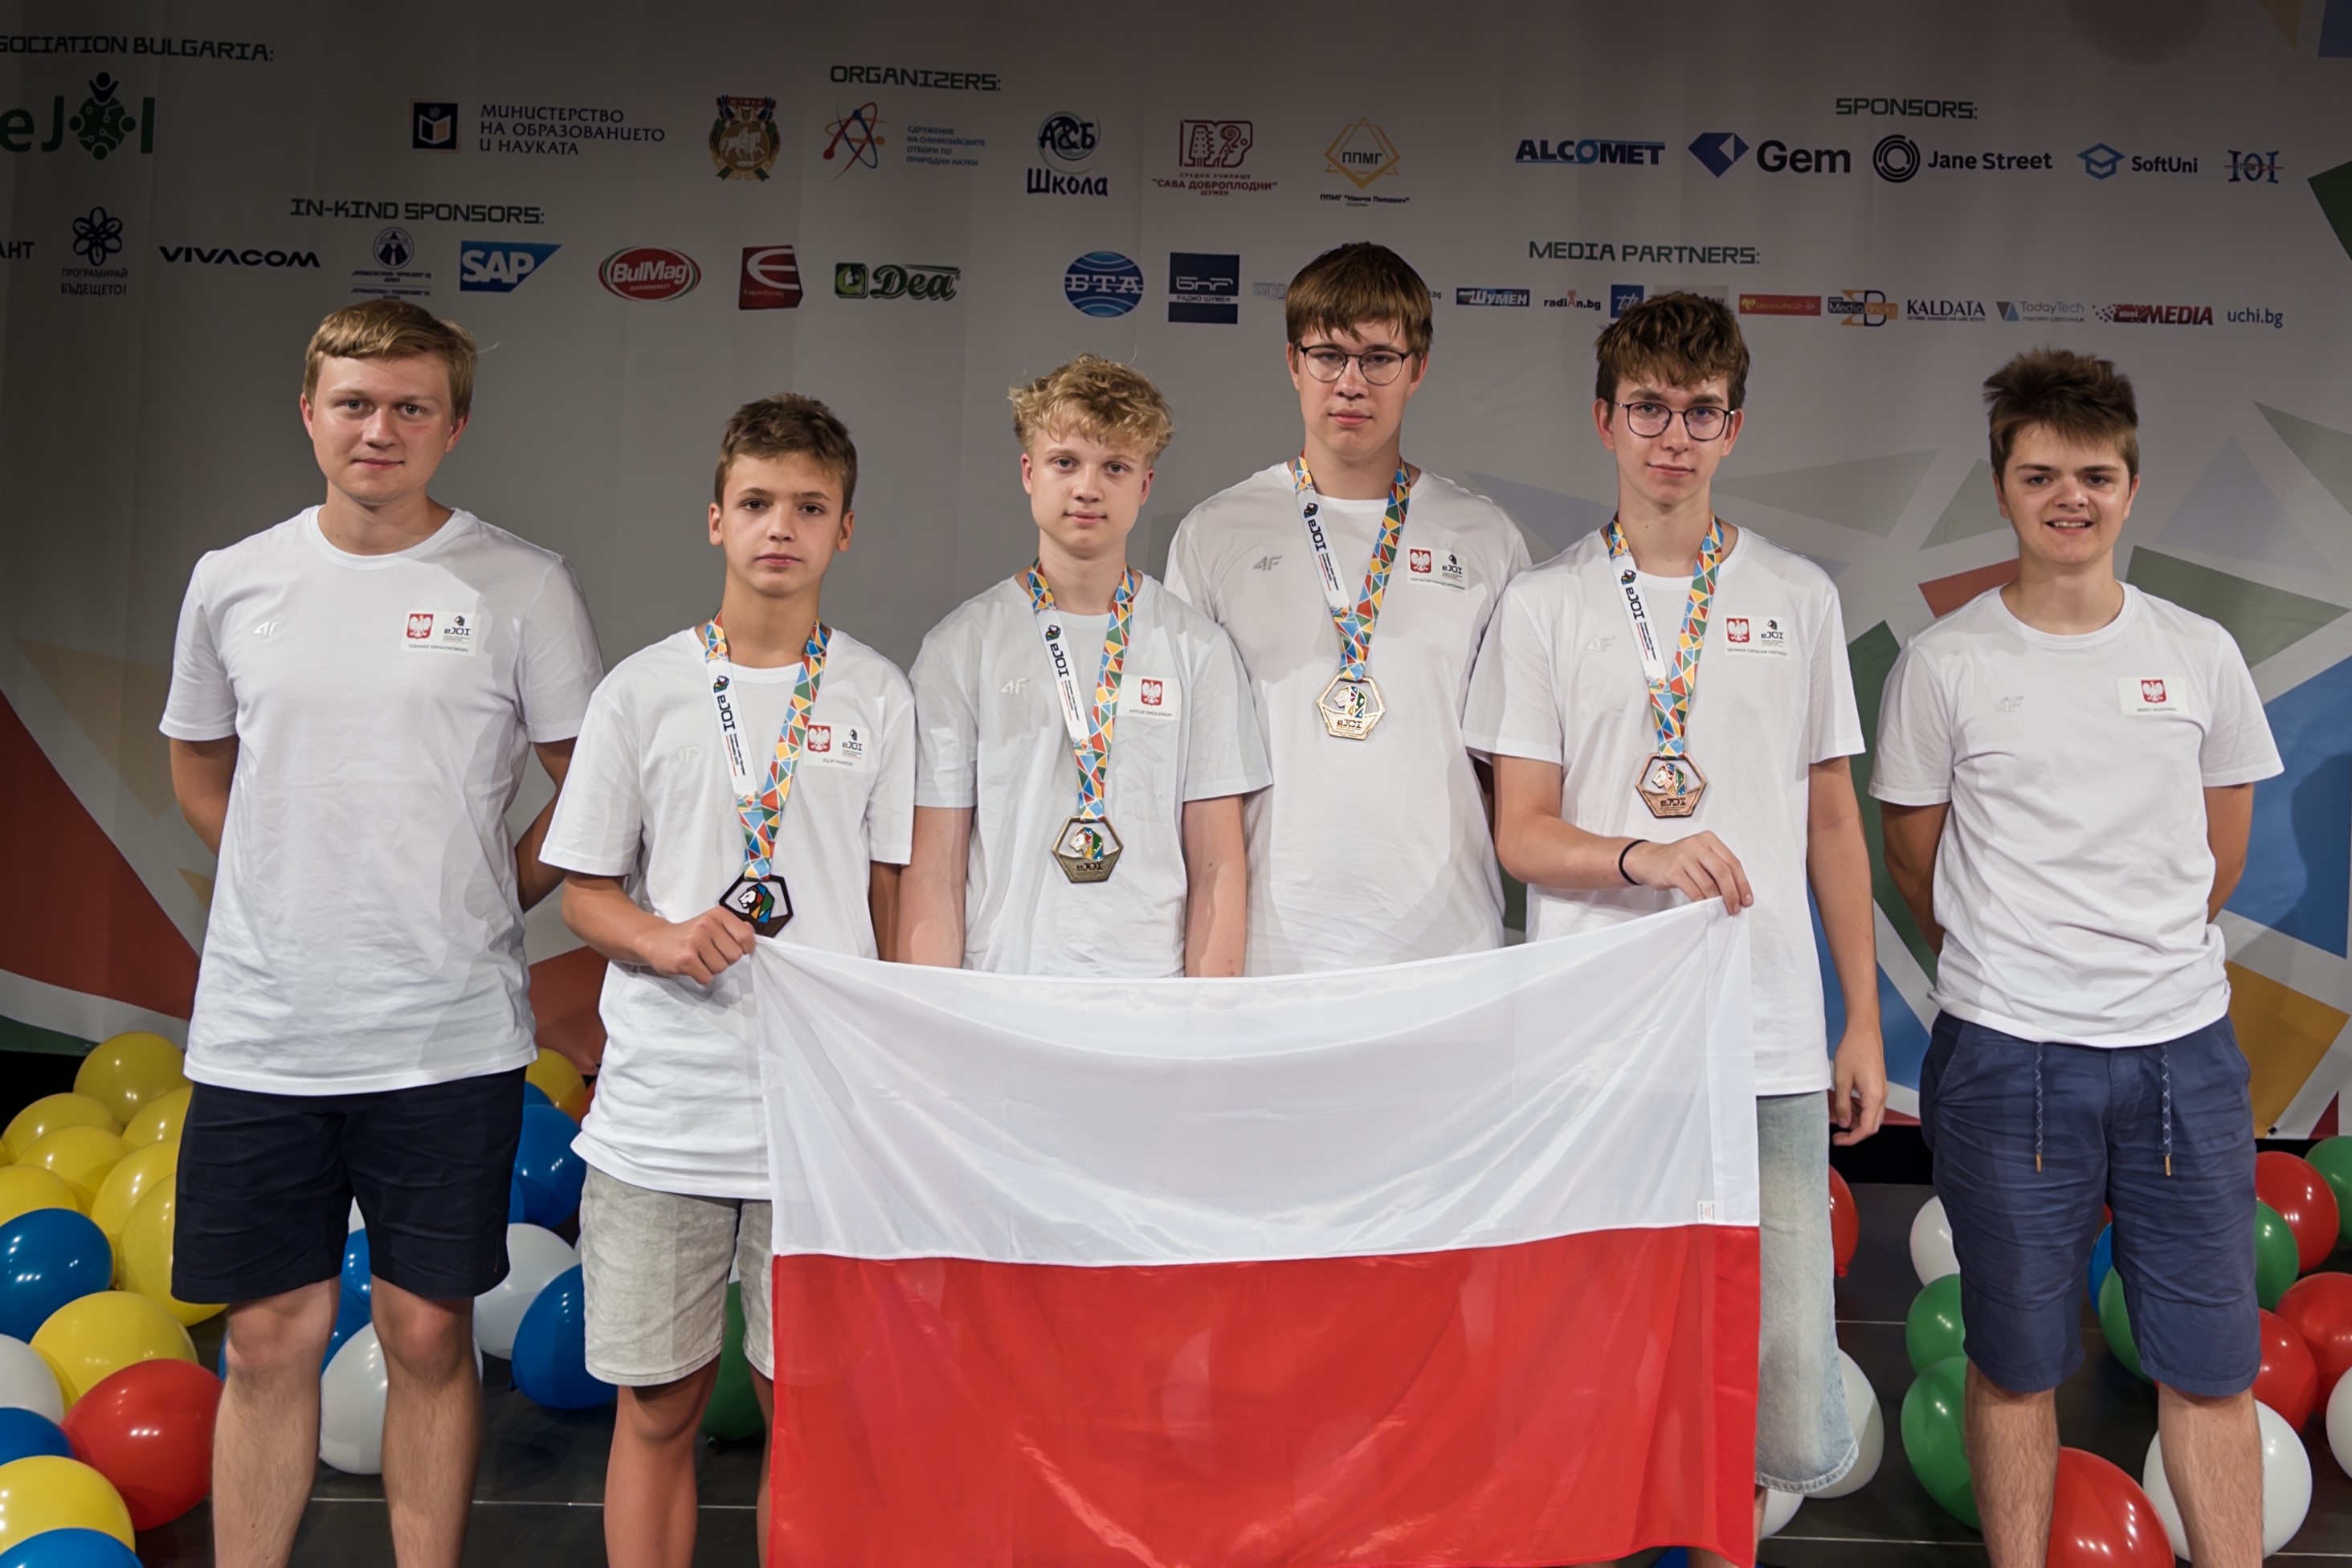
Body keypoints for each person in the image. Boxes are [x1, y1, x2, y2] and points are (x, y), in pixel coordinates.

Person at [161, 300, 602, 1568]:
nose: (379, 429)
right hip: (265, 1032)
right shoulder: (233, 580)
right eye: (354, 403)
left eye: (412, 407)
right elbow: (199, 763)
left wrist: (493, 889)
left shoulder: (522, 583)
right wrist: (274, 877)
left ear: (453, 427)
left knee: (425, 1333)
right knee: (268, 1338)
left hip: (445, 1033)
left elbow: (590, 784)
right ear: (309, 413)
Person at [1466, 292, 1886, 1561]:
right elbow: (1520, 834)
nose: (1673, 436)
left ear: (1734, 428)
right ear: (1604, 420)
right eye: (1648, 408)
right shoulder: (1543, 604)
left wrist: (1860, 1021)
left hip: (1765, 1040)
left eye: (1700, 412)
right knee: (1590, 1365)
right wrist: (1640, 856)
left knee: (1768, 1381)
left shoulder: (1797, 594)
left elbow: (1831, 823)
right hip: (1595, 1047)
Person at [1875, 349, 2278, 1565]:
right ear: (2002, 486)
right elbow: (1916, 864)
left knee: (2212, 1367)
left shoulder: (2199, 652)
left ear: (2131, 486)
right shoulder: (1944, 664)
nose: (2070, 498)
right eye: (2042, 474)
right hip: (2009, 1059)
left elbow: (2219, 856)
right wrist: (2027, 966)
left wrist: (2134, 962)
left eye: (2095, 476)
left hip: (2183, 1056)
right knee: (2014, 1362)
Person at [541, 394, 912, 1568]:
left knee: (813, 1416)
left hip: (820, 1120)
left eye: (809, 505)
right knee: (658, 1410)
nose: (780, 527)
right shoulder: (641, 690)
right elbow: (583, 892)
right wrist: (660, 938)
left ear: (845, 528)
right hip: (668, 1112)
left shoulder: (879, 693)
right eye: (756, 502)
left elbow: (894, 908)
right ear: (716, 519)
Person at [1163, 241, 1529, 974]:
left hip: (1445, 951)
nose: (1351, 384)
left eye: (1379, 358)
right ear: (1292, 363)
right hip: (1268, 951)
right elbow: (1187, 770)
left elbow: (1513, 774)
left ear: (1417, 369)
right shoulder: (1216, 533)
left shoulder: (1485, 538)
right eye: (1328, 355)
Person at [899, 355, 1265, 975]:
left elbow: (1218, 867)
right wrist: (933, 1019)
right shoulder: (961, 647)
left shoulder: (1197, 648)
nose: (1088, 488)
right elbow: (934, 871)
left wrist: (1208, 1021)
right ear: (1029, 472)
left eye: (1115, 467)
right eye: (1065, 462)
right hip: (1003, 993)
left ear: (1145, 486)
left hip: (1148, 997)